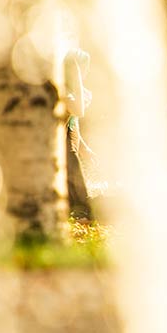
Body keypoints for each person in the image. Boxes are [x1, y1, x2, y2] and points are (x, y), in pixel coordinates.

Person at [64, 48, 93, 219]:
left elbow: (72, 125)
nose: (86, 72)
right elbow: (78, 111)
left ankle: (80, 207)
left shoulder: (74, 92)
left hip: (68, 148)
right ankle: (82, 208)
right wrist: (77, 81)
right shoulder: (64, 92)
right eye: (84, 67)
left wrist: (85, 148)